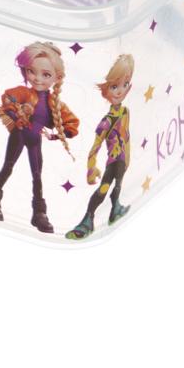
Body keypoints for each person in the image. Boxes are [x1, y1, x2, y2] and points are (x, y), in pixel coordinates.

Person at [0, 42, 79, 233]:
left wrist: (59, 134)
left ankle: (39, 213)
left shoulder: (55, 104)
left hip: (35, 139)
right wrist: (16, 113)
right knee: (8, 166)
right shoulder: (24, 93)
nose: (37, 78)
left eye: (46, 75)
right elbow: (7, 98)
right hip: (19, 134)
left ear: (57, 77)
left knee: (37, 176)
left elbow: (71, 122)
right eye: (31, 71)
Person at [65, 54, 135, 240]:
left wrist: (128, 157)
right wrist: (91, 168)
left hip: (121, 160)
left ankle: (115, 209)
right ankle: (87, 220)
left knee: (118, 186)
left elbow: (126, 136)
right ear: (106, 90)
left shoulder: (125, 112)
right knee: (104, 188)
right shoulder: (106, 122)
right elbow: (95, 148)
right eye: (114, 86)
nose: (119, 91)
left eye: (125, 84)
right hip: (112, 161)